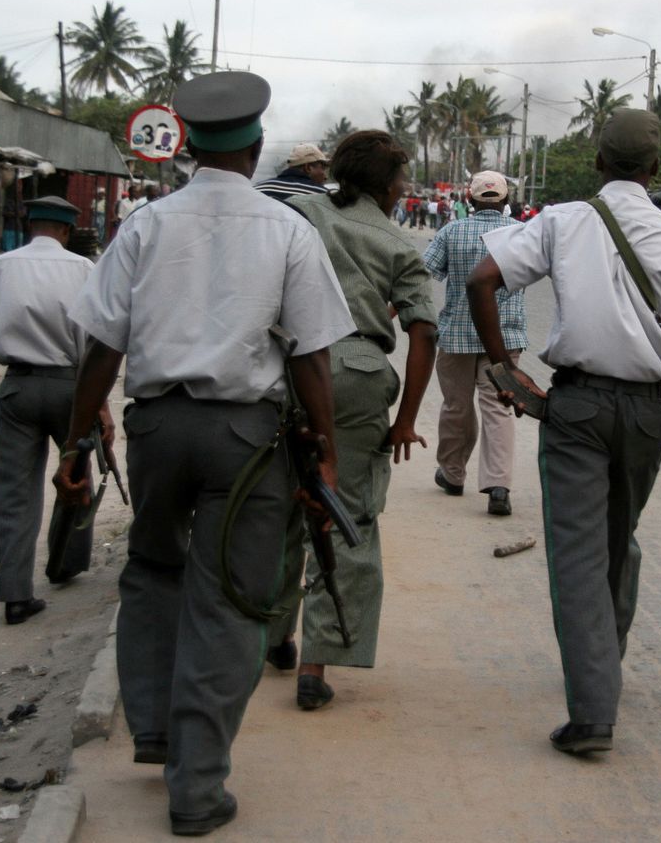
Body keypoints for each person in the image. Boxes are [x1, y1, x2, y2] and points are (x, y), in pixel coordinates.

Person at [54, 71, 355, 836]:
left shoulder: (147, 226)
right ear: (255, 149)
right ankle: (198, 786)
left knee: (153, 575)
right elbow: (314, 356)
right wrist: (324, 453)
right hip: (244, 440)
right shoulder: (288, 229)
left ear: (184, 147)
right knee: (229, 601)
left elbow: (100, 347)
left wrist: (78, 440)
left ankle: (154, 730)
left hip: (157, 428)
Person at [466, 109, 661, 755]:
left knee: (579, 555)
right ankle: (602, 664)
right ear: (656, 169)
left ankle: (592, 714)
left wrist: (504, 371)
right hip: (648, 414)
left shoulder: (563, 220)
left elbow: (482, 278)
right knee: (620, 541)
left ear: (597, 162)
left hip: (577, 411)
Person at [283, 130, 437, 713]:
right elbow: (424, 330)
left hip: (286, 366)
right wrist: (405, 420)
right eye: (404, 179)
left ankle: (271, 637)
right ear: (392, 186)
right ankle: (317, 663)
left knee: (280, 502)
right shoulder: (398, 244)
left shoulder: (299, 212)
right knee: (346, 512)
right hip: (355, 372)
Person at [0, 195, 109, 626]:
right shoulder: (85, 269)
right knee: (76, 474)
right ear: (67, 231)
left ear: (30, 224)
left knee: (13, 491)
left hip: (17, 384)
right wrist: (101, 406)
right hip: (72, 387)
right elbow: (94, 345)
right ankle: (65, 563)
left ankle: (15, 593)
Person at [422, 171, 526, 517]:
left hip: (456, 335)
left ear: (470, 199)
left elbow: (425, 272)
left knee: (456, 406)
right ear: (507, 201)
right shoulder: (519, 235)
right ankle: (498, 487)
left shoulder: (451, 231)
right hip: (505, 338)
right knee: (498, 407)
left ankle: (452, 474)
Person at [256, 143, 330, 203]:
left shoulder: (258, 190)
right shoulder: (323, 196)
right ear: (308, 168)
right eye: (322, 168)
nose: (325, 177)